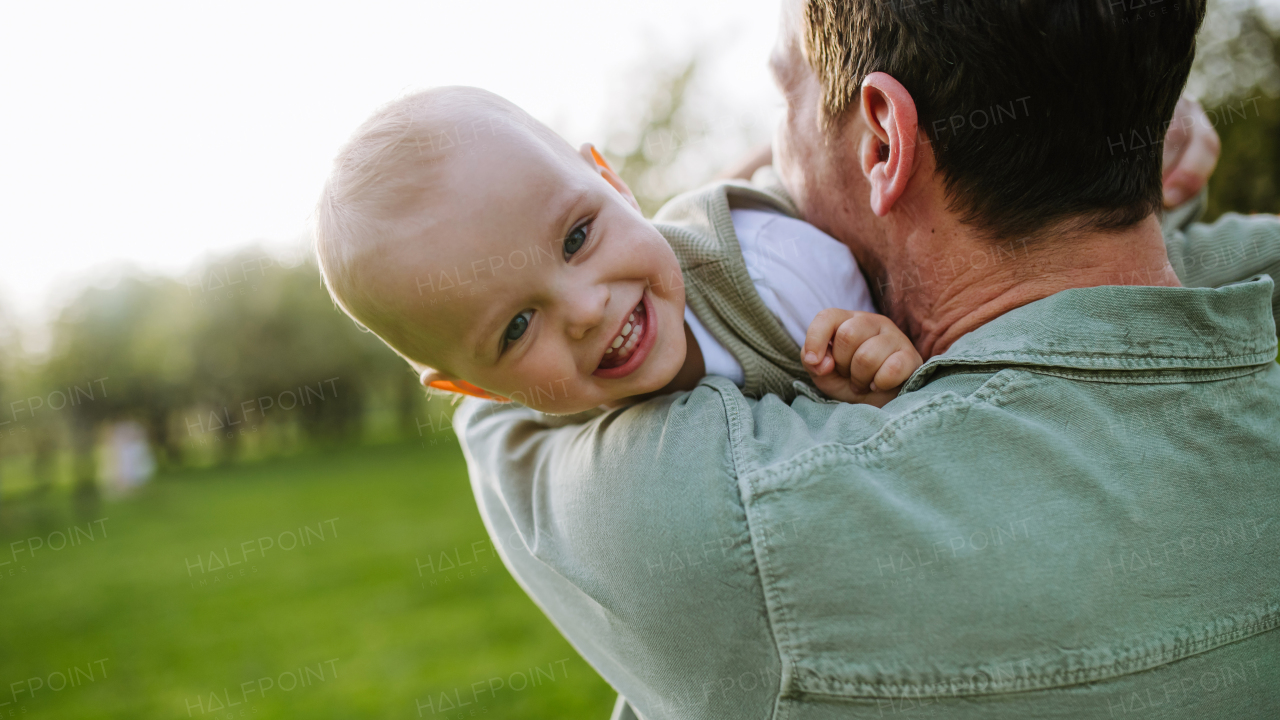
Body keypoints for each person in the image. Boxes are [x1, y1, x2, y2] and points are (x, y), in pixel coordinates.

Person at [452, 0, 1280, 718]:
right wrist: (1104, 133)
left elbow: (499, 388)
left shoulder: (740, 520)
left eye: (785, 90)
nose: (772, 158)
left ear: (883, 141)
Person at [313, 86, 923, 413]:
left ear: (613, 183)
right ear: (479, 390)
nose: (583, 310)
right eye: (518, 327)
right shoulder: (551, 457)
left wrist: (884, 366)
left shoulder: (778, 271)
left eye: (577, 237)